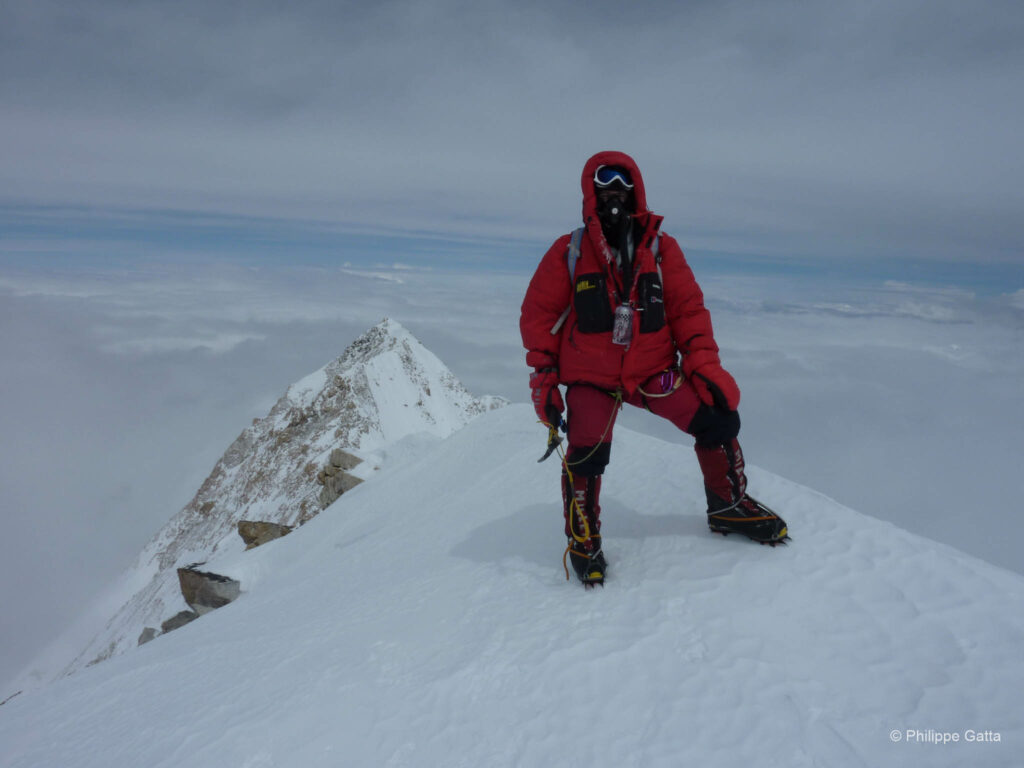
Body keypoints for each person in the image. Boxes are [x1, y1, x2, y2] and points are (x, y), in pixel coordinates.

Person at [520, 150, 788, 586]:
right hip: (592, 378)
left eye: (624, 183)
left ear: (637, 192)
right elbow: (538, 320)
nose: (615, 193)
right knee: (586, 453)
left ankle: (728, 508)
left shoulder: (661, 250)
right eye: (605, 182)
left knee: (718, 419)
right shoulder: (569, 251)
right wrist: (545, 382)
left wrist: (703, 367)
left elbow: (688, 314)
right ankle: (583, 539)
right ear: (591, 191)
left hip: (652, 372)